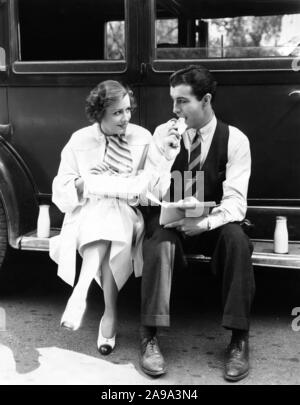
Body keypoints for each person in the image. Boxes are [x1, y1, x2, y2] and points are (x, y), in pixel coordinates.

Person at [139, 65, 255, 382]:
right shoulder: (164, 134)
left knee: (237, 241)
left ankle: (239, 339)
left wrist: (203, 224)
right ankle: (149, 336)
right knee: (160, 243)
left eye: (182, 101)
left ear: (205, 100)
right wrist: (166, 157)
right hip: (172, 221)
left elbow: (236, 203)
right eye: (172, 101)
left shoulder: (235, 139)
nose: (174, 109)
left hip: (211, 223)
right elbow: (148, 192)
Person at [49, 80, 172, 355]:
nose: (126, 118)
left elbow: (154, 185)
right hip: (87, 213)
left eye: (128, 110)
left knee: (112, 215)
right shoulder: (80, 140)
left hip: (127, 211)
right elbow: (61, 189)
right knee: (102, 215)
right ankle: (109, 313)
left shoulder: (141, 137)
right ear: (99, 113)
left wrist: (133, 177)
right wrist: (86, 182)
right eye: (117, 113)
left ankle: (81, 294)